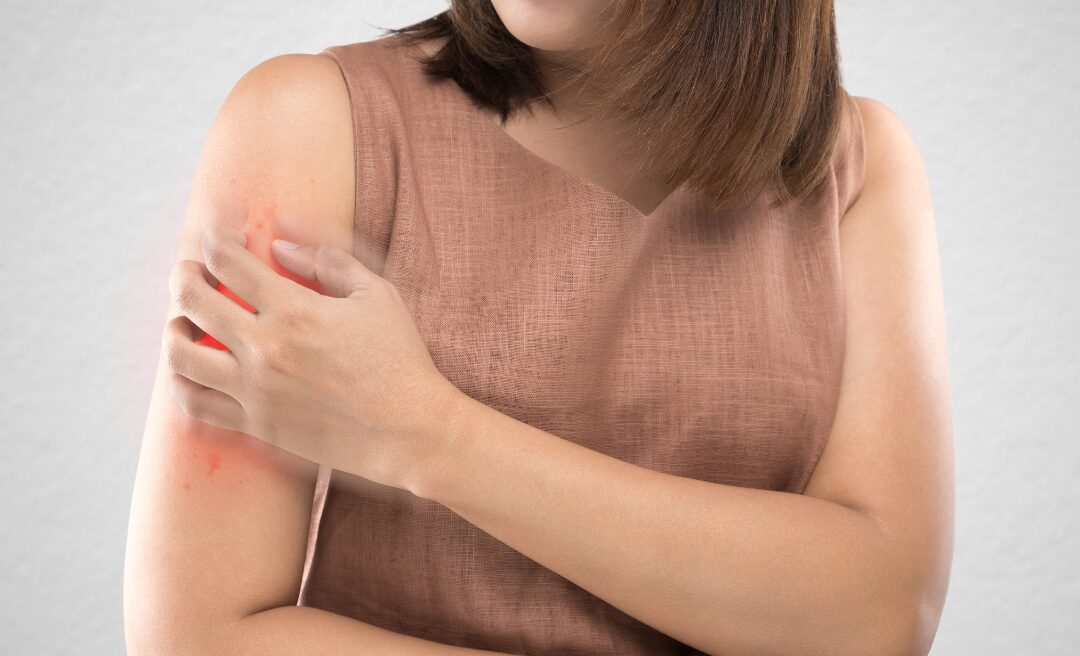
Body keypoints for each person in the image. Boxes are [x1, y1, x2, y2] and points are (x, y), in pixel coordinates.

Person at [124, 1, 954, 654]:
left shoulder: (859, 165)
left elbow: (880, 614)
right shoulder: (308, 120)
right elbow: (199, 637)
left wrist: (426, 435)